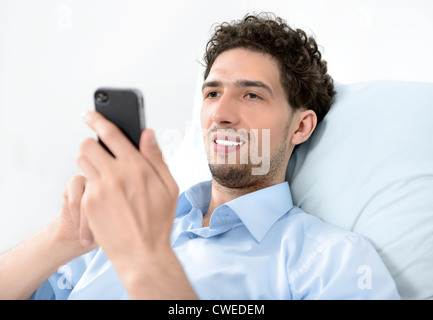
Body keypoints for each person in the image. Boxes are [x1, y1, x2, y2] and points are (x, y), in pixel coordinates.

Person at [0, 13, 400, 300]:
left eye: (251, 94)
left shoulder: (332, 260)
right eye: (212, 93)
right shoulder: (119, 228)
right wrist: (64, 238)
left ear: (301, 127)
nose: (220, 113)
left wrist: (148, 259)